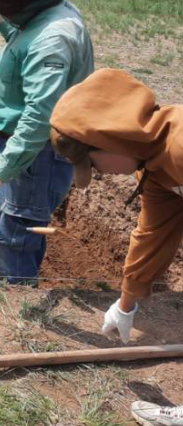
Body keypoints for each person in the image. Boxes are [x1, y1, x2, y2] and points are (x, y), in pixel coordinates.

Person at [0, 0, 95, 285]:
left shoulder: (52, 40)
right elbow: (25, 42)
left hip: (37, 156)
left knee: (14, 238)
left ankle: (15, 313)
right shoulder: (42, 15)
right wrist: (6, 26)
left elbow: (39, 118)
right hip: (18, 146)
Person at [50, 69, 181, 346]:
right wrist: (125, 306)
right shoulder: (156, 170)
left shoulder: (178, 146)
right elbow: (152, 236)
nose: (101, 173)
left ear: (110, 144)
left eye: (94, 165)